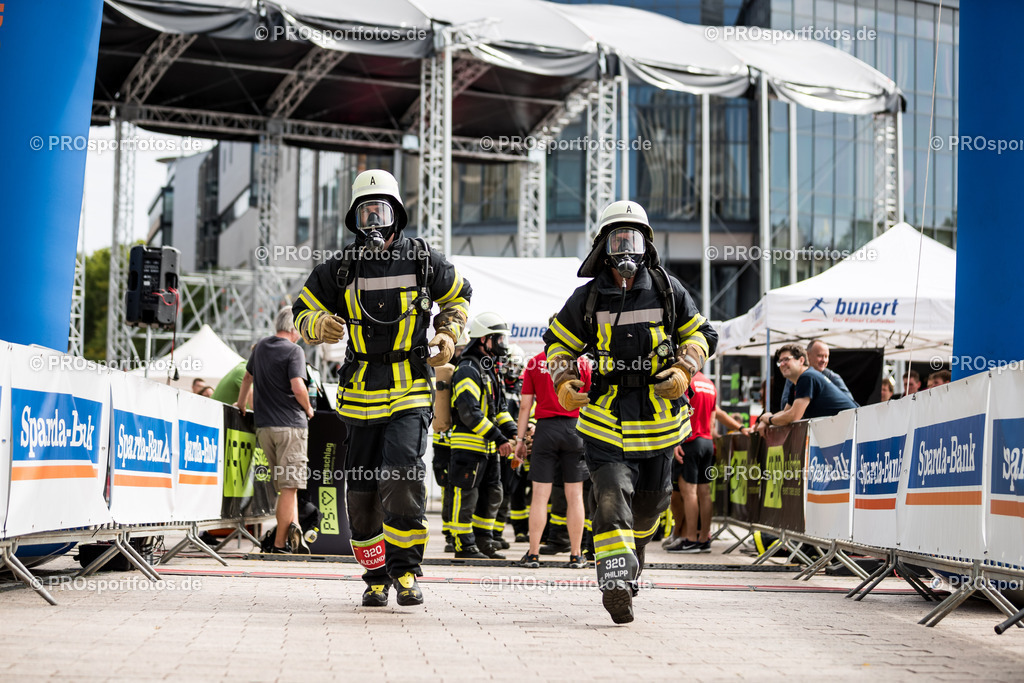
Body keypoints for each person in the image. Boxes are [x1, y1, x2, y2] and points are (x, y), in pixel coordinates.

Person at [291, 169, 471, 608]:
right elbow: (299, 311)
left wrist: (447, 334)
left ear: (396, 216)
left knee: (404, 475)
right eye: (366, 211)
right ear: (356, 217)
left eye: (381, 210)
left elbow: (460, 296)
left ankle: (406, 571)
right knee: (363, 490)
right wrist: (317, 323)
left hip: (410, 386)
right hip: (359, 392)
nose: (374, 218)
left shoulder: (425, 260)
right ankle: (375, 575)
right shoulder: (338, 268)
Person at [543, 200, 718, 624]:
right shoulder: (587, 299)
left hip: (659, 427)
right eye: (618, 238)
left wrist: (684, 368)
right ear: (604, 246)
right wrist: (565, 383)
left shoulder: (668, 290)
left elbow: (702, 334)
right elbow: (558, 345)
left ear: (646, 246)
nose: (626, 248)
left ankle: (634, 553)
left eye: (633, 238)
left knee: (649, 509)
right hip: (605, 423)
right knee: (610, 498)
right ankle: (615, 582)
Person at [236, 307, 315, 554]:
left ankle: (294, 536)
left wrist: (241, 404)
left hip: (264, 428)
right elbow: (298, 387)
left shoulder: (260, 347)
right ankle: (280, 545)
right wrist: (309, 409)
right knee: (290, 487)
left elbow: (247, 379)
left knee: (283, 489)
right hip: (290, 427)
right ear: (294, 329)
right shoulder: (294, 351)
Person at [515, 320, 592, 570]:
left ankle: (534, 554)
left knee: (540, 496)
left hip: (545, 429)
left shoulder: (535, 361)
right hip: (575, 429)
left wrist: (519, 440)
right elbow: (589, 402)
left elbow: (525, 406)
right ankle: (576, 555)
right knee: (575, 495)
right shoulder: (581, 363)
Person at [444, 312, 517, 559]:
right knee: (466, 497)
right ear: (485, 340)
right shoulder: (467, 369)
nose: (502, 344)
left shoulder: (489, 369)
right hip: (469, 448)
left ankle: (484, 542)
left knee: (492, 495)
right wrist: (499, 438)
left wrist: (514, 433)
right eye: (498, 339)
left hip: (488, 449)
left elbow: (501, 410)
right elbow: (469, 413)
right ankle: (463, 544)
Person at [665, 374, 747, 552]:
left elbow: (678, 412)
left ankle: (690, 538)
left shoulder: (684, 380)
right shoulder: (709, 383)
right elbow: (714, 417)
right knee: (704, 492)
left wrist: (675, 441)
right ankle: (703, 538)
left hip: (690, 441)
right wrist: (740, 428)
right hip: (707, 442)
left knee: (689, 493)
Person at [756, 344, 857, 432]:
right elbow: (786, 412)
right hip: (844, 429)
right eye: (780, 361)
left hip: (854, 429)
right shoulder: (797, 382)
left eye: (786, 359)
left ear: (801, 360)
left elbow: (793, 416)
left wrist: (769, 419)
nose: (782, 364)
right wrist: (766, 419)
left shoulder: (807, 377)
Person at [780, 340, 856, 408]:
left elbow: (850, 405)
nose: (824, 360)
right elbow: (786, 406)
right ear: (807, 355)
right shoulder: (796, 376)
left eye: (826, 356)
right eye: (820, 356)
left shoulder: (833, 377)